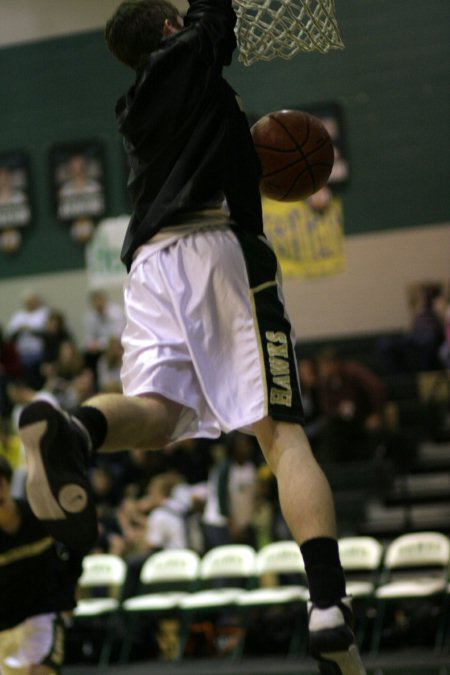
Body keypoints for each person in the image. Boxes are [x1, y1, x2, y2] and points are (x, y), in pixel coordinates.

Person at [18, 1, 366, 673]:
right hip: (218, 246)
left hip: (151, 262)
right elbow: (217, 10)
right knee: (281, 432)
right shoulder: (190, 54)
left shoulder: (142, 100)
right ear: (173, 27)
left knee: (159, 416)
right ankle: (329, 603)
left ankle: (74, 431)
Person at [0, 456, 81, 675]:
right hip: (5, 622)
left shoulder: (40, 515)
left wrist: (72, 585)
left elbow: (75, 544)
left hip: (43, 612)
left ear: (7, 483)